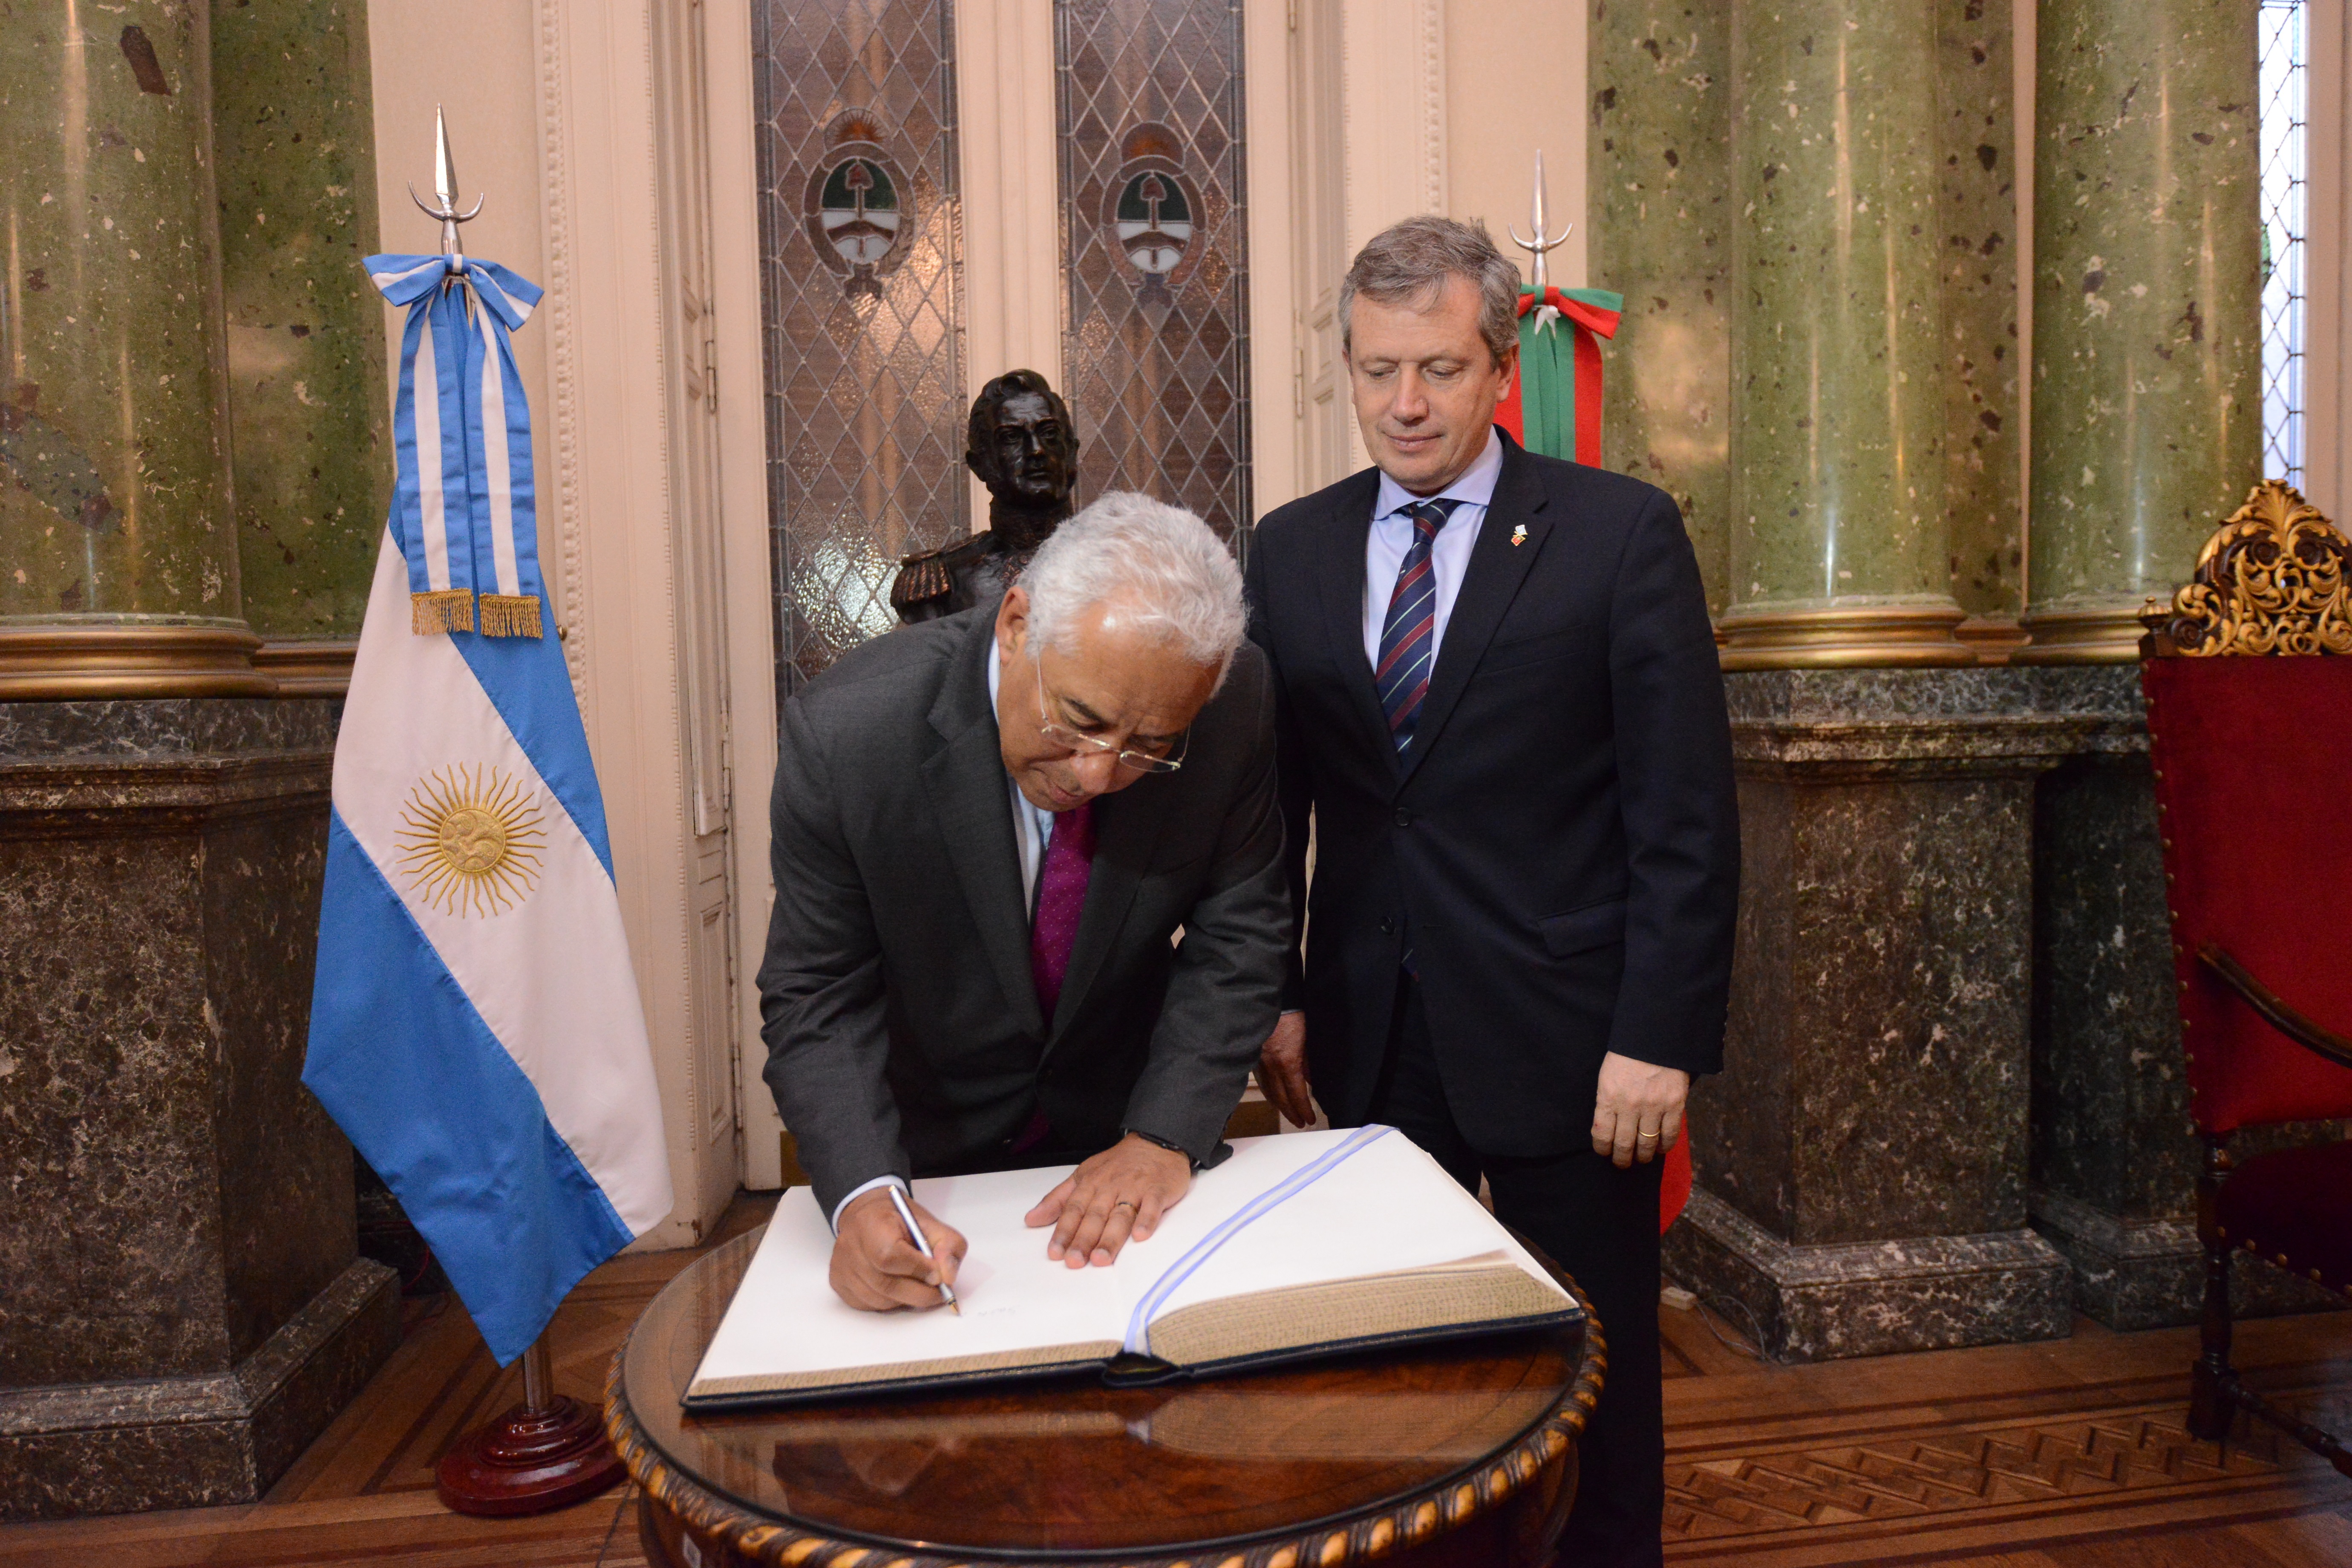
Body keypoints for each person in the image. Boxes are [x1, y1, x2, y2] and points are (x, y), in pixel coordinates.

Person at [1243, 216, 1738, 1567]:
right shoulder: (1287, 549)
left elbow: (1685, 819)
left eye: (1440, 370)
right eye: (1376, 369)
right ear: (1345, 368)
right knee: (1395, 1353)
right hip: (1368, 1029)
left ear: (1501, 362)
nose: (1404, 403)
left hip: (1576, 1043)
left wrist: (1658, 1036)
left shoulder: (1617, 533)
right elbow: (1268, 806)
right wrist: (1276, 994)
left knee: (1591, 1362)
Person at [761, 492, 1288, 1312]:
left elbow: (1241, 932)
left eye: (1149, 749)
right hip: (934, 1158)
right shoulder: (849, 735)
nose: (1096, 775)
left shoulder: (1231, 702)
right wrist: (867, 1195)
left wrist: (1162, 1135)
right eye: (1079, 720)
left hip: (1130, 1135)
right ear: (1016, 624)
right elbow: (817, 995)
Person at [891, 369, 1082, 622]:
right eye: (1011, 438)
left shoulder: (1123, 561)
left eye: (1049, 434)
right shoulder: (941, 580)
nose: (1036, 451)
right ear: (980, 464)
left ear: (1071, 452)